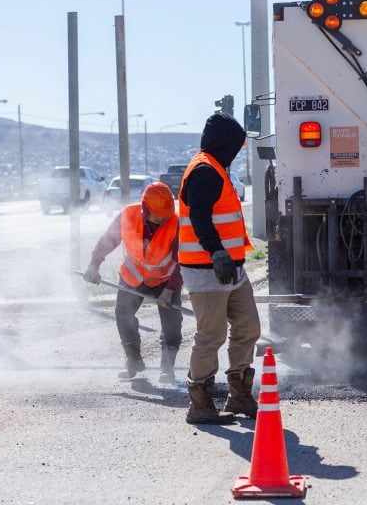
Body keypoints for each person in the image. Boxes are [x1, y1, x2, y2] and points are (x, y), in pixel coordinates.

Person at [178, 112, 260, 425]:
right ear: (223, 143)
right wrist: (216, 251)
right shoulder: (204, 171)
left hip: (231, 267)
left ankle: (238, 394)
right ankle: (200, 404)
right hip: (207, 268)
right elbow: (199, 216)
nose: (237, 152)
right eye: (235, 146)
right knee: (211, 336)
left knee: (248, 326)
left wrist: (226, 256)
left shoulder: (216, 168)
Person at [82, 182, 183, 386]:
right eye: (158, 215)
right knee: (123, 314)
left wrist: (170, 289)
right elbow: (108, 240)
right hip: (133, 276)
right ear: (145, 207)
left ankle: (167, 369)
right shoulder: (128, 214)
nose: (162, 219)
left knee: (172, 324)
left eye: (166, 215)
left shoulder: (176, 222)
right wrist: (94, 265)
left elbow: (182, 259)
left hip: (165, 279)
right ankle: (133, 360)